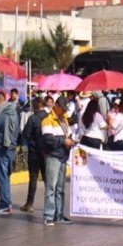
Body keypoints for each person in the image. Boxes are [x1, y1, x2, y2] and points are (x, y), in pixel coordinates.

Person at [41, 96, 75, 226]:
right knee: (51, 187)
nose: (64, 112)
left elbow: (68, 134)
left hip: (63, 156)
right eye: (62, 109)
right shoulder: (47, 121)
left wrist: (71, 139)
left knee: (60, 188)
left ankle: (59, 215)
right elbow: (48, 139)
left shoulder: (64, 119)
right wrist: (63, 141)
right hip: (53, 156)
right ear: (57, 106)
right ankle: (49, 215)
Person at [0, 90, 18, 215]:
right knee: (6, 177)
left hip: (1, 149)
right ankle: (7, 203)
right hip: (11, 148)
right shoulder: (14, 112)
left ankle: (5, 205)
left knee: (1, 178)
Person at [20, 97, 48, 212]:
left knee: (33, 177)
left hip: (35, 152)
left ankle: (30, 203)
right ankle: (51, 203)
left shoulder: (33, 118)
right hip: (47, 153)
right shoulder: (49, 116)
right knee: (48, 178)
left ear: (35, 106)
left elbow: (25, 134)